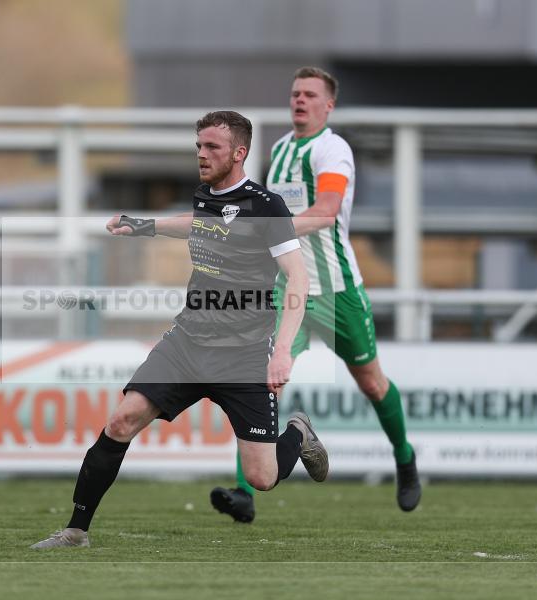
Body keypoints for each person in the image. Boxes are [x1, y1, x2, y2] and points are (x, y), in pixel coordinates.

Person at [31, 110, 328, 549]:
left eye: (212, 147)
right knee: (121, 420)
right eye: (199, 146)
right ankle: (76, 531)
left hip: (244, 354)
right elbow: (199, 223)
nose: (202, 155)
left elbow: (297, 278)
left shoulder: (267, 207)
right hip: (188, 343)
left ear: (239, 153)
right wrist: (144, 226)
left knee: (262, 478)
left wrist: (282, 350)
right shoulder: (205, 194)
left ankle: (297, 433)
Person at [209, 67, 421, 523]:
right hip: (289, 289)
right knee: (259, 379)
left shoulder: (333, 149)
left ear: (329, 105)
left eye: (309, 94)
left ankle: (404, 458)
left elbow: (326, 212)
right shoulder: (281, 150)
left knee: (371, 383)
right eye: (295, 94)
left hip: (337, 290)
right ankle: (245, 491)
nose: (299, 100)